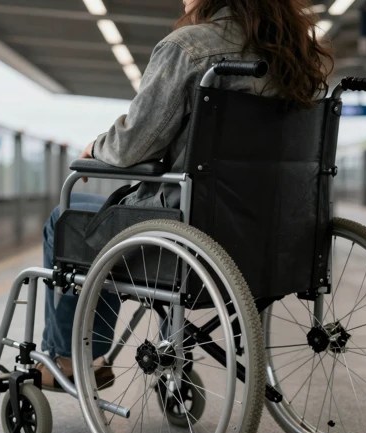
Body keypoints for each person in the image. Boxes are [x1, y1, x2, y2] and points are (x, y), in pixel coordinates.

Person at [39, 0, 333, 390]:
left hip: (189, 233)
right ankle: (170, 349)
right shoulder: (296, 58)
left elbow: (133, 146)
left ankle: (67, 356)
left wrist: (95, 148)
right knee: (127, 221)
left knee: (69, 215)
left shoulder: (189, 47)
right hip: (273, 242)